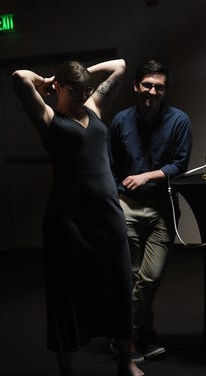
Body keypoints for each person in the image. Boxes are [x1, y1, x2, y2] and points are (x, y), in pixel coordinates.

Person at [11, 59, 143, 376]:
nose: (85, 94)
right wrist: (48, 79)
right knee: (64, 291)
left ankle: (125, 361)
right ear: (60, 88)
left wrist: (83, 75)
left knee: (119, 284)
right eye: (78, 89)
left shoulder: (95, 108)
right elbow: (18, 77)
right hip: (67, 218)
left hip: (107, 214)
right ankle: (66, 367)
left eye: (86, 89)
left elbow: (120, 67)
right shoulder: (48, 117)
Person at [109, 59, 193, 361]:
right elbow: (112, 167)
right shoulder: (120, 121)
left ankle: (123, 333)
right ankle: (142, 336)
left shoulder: (179, 120)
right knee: (132, 277)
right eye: (147, 85)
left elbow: (180, 165)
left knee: (151, 276)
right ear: (136, 86)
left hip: (162, 208)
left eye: (159, 87)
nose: (152, 91)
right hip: (127, 206)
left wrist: (147, 175)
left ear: (165, 90)